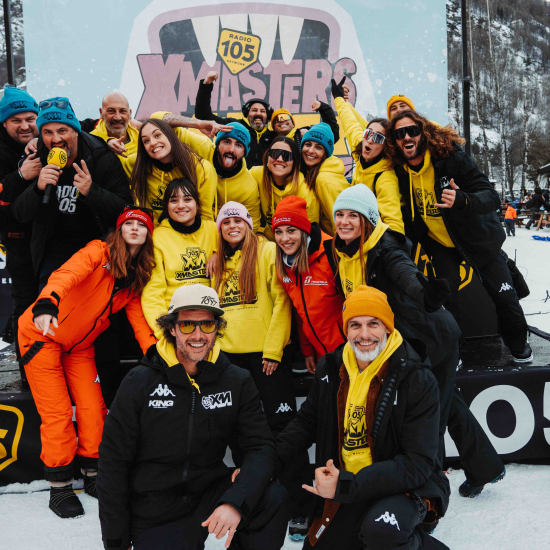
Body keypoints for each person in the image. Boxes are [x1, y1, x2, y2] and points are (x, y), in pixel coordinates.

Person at [330, 184, 505, 498]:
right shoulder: (344, 251)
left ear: (367, 220)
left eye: (352, 215)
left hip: (431, 341)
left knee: (429, 416)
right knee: (448, 404)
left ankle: (429, 493)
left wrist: (425, 294)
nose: (344, 221)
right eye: (339, 214)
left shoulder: (385, 250)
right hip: (407, 343)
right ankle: (486, 467)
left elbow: (405, 273)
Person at [97, 284, 289, 550]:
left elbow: (261, 448)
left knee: (272, 495)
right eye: (187, 325)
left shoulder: (236, 380)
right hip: (155, 508)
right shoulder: (139, 381)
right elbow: (113, 462)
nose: (198, 335)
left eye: (207, 325)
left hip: (210, 491)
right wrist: (115, 541)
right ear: (172, 328)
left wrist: (236, 501)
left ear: (217, 328)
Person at [274, 285, 450, 550]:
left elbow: (417, 464)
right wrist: (265, 462)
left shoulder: (416, 377)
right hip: (348, 483)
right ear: (346, 330)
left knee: (381, 531)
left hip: (406, 486)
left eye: (373, 324)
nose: (364, 334)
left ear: (387, 327)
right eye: (355, 325)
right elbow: (305, 424)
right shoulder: (331, 367)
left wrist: (347, 485)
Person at [17, 207, 157, 518]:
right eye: (128, 224)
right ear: (119, 230)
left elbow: (138, 319)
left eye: (141, 225)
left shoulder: (136, 274)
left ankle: (93, 474)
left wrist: (152, 350)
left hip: (79, 346)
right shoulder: (99, 251)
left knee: (94, 410)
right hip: (42, 334)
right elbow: (66, 274)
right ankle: (60, 485)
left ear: (148, 234)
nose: (134, 228)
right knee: (57, 413)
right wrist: (47, 301)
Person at [386, 109, 532, 362]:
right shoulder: (398, 172)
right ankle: (455, 353)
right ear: (395, 141)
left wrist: (462, 199)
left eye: (412, 130)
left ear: (423, 133)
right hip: (441, 244)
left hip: (477, 240)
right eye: (400, 134)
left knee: (505, 298)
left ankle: (519, 347)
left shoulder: (450, 158)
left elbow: (491, 197)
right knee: (447, 303)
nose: (407, 137)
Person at [12, 97, 132, 288]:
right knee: (50, 303)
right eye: (48, 132)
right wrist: (37, 188)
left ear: (76, 131)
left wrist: (92, 192)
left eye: (62, 131)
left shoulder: (101, 156)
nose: (56, 139)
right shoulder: (36, 157)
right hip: (53, 253)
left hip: (96, 248)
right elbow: (20, 214)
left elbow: (126, 210)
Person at [213, 201, 293, 432]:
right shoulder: (217, 262)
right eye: (226, 222)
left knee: (280, 423)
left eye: (238, 220)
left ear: (248, 224)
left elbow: (282, 302)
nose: (232, 226)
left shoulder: (268, 251)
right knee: (241, 424)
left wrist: (274, 350)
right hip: (230, 356)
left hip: (267, 356)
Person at [272, 196, 346, 372]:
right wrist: (307, 351)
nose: (284, 239)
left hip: (348, 350)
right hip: (322, 356)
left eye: (291, 230)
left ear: (303, 230)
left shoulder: (331, 253)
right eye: (278, 232)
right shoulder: (283, 265)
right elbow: (301, 313)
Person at [0, 86, 42, 382]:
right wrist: (20, 176)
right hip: (18, 240)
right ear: (4, 123)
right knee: (26, 306)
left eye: (30, 119)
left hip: (52, 237)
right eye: (16, 120)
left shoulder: (49, 136)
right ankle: (29, 375)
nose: (25, 126)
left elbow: (88, 125)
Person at [141, 178, 218, 339]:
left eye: (187, 199)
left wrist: (220, 253)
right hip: (176, 318)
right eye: (174, 200)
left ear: (197, 204)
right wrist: (164, 332)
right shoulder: (158, 237)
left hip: (212, 314)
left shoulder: (214, 230)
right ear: (166, 207)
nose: (181, 205)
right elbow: (153, 292)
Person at [331, 82, 404, 234]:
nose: (370, 140)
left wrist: (386, 246)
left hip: (374, 235)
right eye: (368, 133)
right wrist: (339, 98)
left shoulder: (385, 178)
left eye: (378, 138)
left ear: (386, 146)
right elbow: (349, 121)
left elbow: (394, 224)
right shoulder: (360, 147)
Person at [122, 118, 217, 224]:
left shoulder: (202, 169)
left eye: (157, 135)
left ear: (170, 135)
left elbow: (205, 216)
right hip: (156, 231)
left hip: (192, 231)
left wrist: (197, 123)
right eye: (146, 141)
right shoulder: (138, 164)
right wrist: (109, 142)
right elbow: (110, 165)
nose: (152, 143)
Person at [195, 71, 276, 168]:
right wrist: (207, 85)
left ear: (268, 117)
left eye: (262, 111)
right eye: (254, 110)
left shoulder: (274, 137)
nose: (258, 113)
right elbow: (203, 116)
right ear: (246, 114)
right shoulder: (233, 126)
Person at [251, 136, 319, 240]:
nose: (280, 159)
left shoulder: (305, 192)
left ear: (294, 162)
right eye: (275, 153)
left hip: (294, 243)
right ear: (267, 157)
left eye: (287, 156)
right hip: (269, 240)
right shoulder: (256, 175)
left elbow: (310, 233)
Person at [209, 122, 261, 231]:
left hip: (229, 236)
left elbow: (253, 227)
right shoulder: (202, 149)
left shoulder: (249, 187)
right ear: (217, 145)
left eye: (238, 145)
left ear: (244, 152)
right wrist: (198, 124)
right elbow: (171, 128)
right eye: (227, 142)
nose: (231, 149)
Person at [300, 123, 349, 236]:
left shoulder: (324, 180)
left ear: (325, 153)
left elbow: (340, 222)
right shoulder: (311, 171)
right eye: (308, 144)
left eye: (318, 147)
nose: (310, 150)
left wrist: (340, 245)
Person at [270, 104, 340, 148]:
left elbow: (332, 136)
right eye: (277, 119)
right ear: (274, 127)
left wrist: (324, 108)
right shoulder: (268, 141)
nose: (282, 120)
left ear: (293, 124)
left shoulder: (306, 135)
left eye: (286, 117)